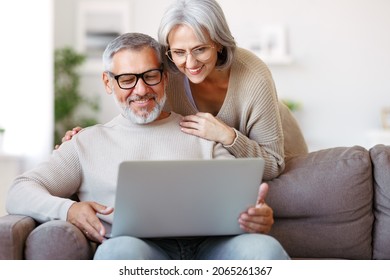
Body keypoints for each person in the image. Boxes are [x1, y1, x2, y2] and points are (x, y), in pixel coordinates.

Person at [6, 33, 289, 260]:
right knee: (118, 253)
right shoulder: (85, 143)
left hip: (212, 247)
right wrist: (67, 210)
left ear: (165, 78)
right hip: (137, 250)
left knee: (264, 250)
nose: (141, 90)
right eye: (127, 80)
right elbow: (20, 190)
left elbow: (242, 198)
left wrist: (256, 216)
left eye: (150, 76)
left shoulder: (200, 131)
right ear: (108, 82)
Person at [60, 0, 308, 181]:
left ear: (220, 44)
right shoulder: (165, 72)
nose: (190, 64)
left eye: (200, 49)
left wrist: (227, 136)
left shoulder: (254, 75)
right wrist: (90, 139)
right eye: (179, 52)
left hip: (277, 153)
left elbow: (274, 165)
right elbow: (139, 109)